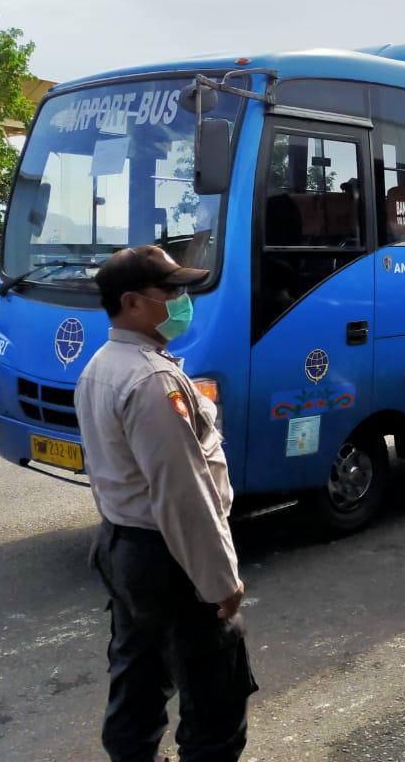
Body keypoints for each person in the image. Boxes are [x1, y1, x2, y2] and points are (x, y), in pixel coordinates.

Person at [74, 245, 256, 762]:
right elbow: (183, 494)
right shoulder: (152, 381)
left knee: (137, 680)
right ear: (131, 303)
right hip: (166, 558)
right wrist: (222, 581)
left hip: (122, 548)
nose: (181, 301)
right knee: (214, 702)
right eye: (170, 292)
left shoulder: (102, 367)